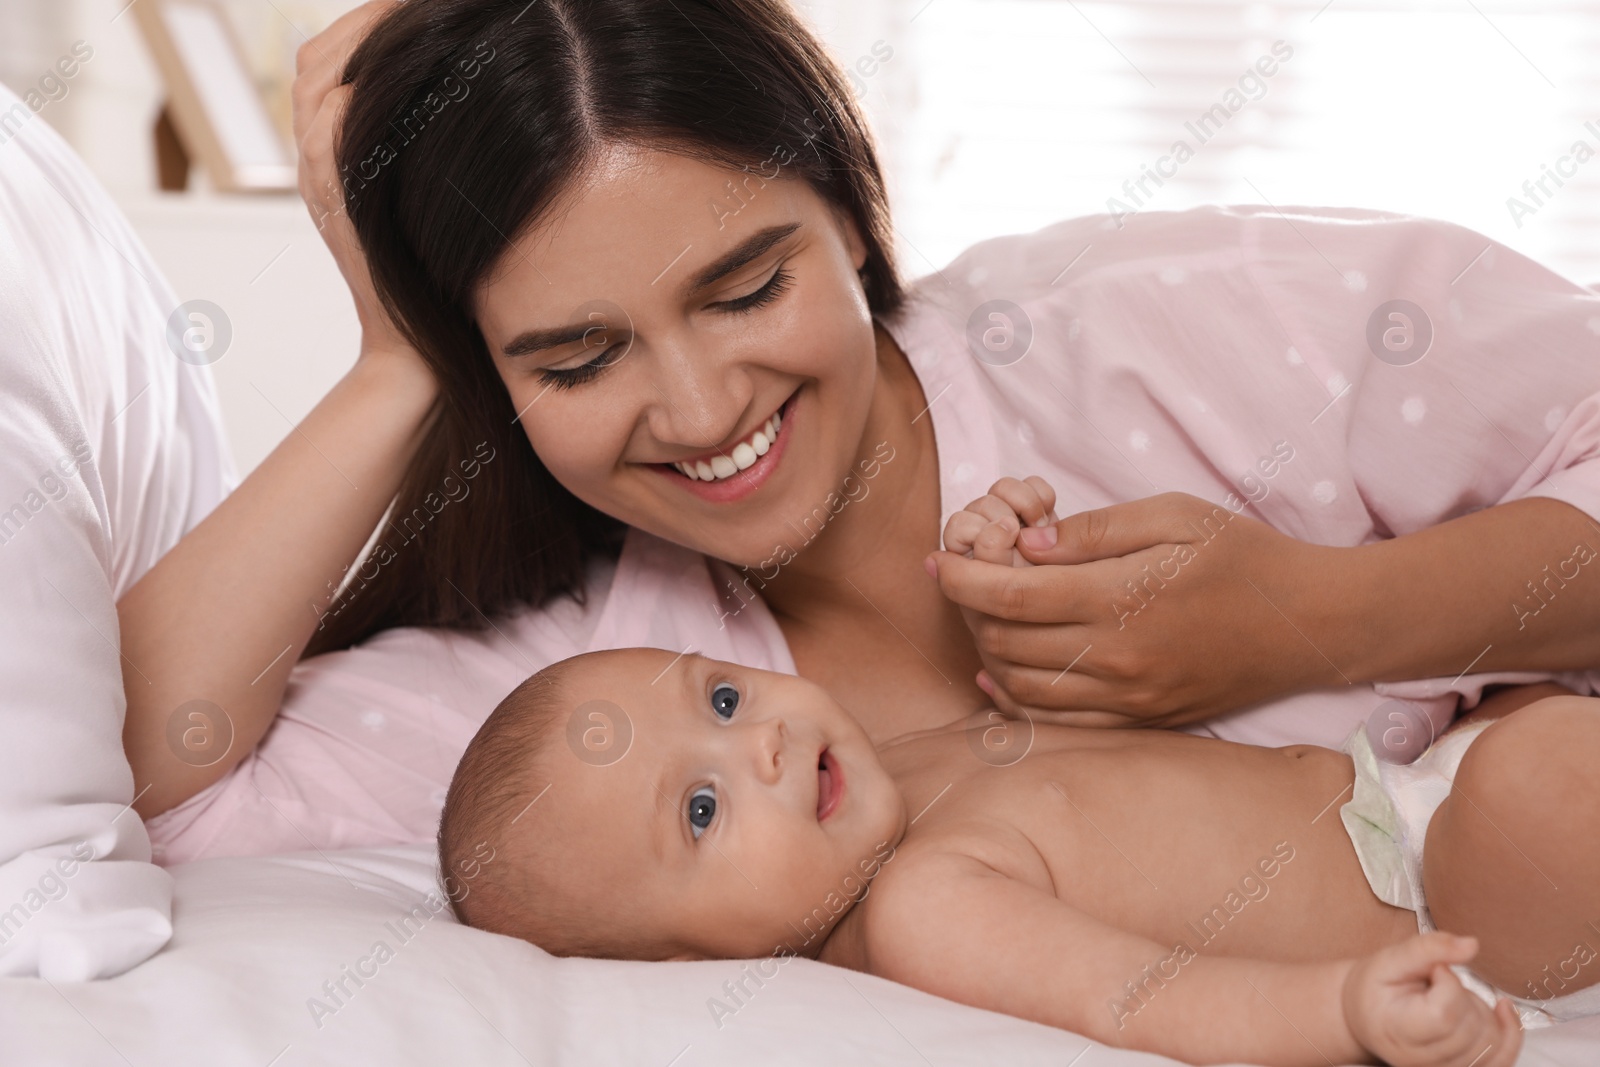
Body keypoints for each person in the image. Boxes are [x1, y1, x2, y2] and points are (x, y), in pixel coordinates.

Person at [119, 0, 1600, 857]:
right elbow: (153, 770)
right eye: (574, 359)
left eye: (748, 284)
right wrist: (395, 359)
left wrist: (1315, 620)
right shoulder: (595, 697)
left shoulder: (1158, 324)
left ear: (849, 208)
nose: (701, 411)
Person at [434, 637, 1594, 1067]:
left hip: (1401, 789)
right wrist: (1347, 1010)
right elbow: (1145, 1002)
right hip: (1430, 911)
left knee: (1538, 698)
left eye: (724, 697)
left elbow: (1125, 758)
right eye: (699, 808)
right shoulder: (922, 908)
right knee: (1548, 775)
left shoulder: (893, 767)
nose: (768, 743)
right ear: (686, 967)